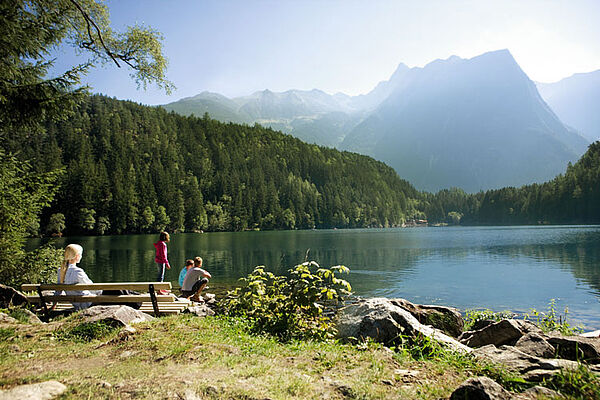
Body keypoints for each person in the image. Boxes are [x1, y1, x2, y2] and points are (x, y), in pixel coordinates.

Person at [53, 244, 100, 310]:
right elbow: (91, 287)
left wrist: (53, 305)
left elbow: (58, 290)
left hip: (77, 304)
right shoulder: (78, 271)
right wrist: (101, 293)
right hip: (88, 303)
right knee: (116, 291)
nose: (81, 256)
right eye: (81, 255)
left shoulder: (60, 271)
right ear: (77, 256)